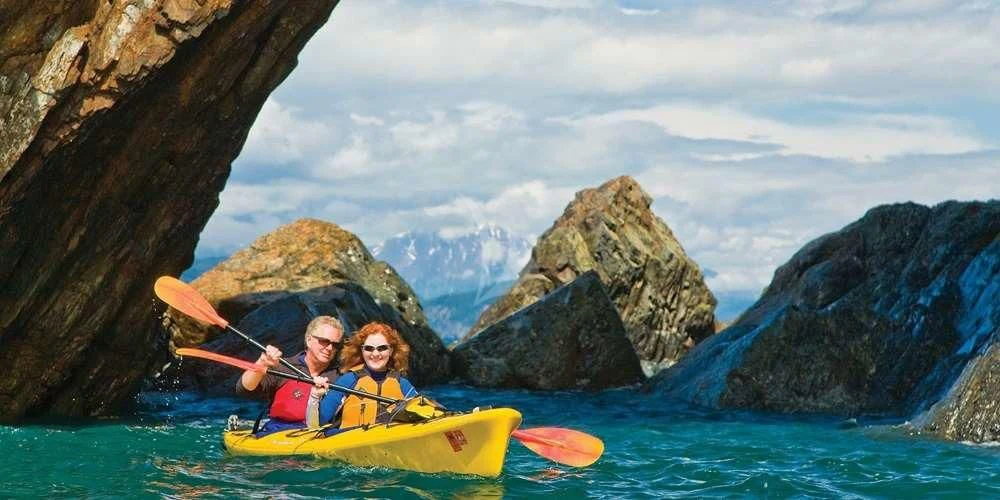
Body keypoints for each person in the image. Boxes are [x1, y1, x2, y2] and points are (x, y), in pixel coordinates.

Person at [236, 315, 343, 432]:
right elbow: (244, 389)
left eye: (335, 344)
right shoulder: (284, 367)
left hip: (321, 434)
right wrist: (262, 363)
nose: (330, 348)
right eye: (324, 341)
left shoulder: (341, 376)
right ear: (309, 340)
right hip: (279, 433)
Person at [319, 321, 419, 428]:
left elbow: (424, 413)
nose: (375, 354)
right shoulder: (348, 381)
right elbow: (319, 421)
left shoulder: (402, 384)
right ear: (362, 351)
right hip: (353, 437)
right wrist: (315, 397)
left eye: (382, 348)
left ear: (391, 350)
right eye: (369, 348)